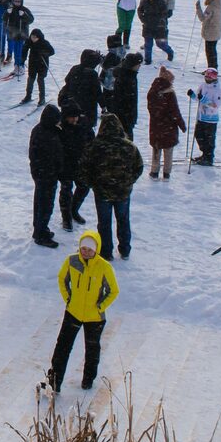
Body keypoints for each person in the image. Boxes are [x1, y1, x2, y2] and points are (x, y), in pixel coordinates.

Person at [42, 230, 119, 395]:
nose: (86, 252)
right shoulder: (72, 261)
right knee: (62, 347)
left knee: (92, 350)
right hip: (73, 312)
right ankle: (54, 381)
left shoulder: (104, 267)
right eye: (83, 248)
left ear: (96, 250)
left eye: (90, 250)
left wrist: (100, 307)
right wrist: (68, 298)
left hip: (94, 318)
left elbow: (113, 291)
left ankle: (88, 380)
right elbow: (62, 279)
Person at [82, 115, 143, 261]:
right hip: (122, 192)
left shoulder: (95, 147)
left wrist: (93, 184)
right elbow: (138, 167)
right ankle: (125, 249)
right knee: (123, 220)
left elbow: (84, 169)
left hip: (102, 192)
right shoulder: (129, 146)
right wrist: (129, 181)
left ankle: (106, 251)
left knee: (104, 222)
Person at [29, 106, 63, 247]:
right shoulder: (46, 134)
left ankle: (39, 228)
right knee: (45, 205)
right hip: (46, 174)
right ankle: (40, 233)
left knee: (40, 202)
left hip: (41, 173)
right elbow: (52, 155)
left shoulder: (40, 130)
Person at [146, 67, 187, 178]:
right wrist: (181, 124)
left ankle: (154, 171)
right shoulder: (169, 94)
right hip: (168, 127)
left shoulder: (152, 92)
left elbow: (151, 108)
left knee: (156, 149)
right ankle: (166, 172)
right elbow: (175, 111)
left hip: (155, 126)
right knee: (168, 151)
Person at [57, 105, 93, 230]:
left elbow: (91, 139)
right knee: (66, 191)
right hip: (65, 165)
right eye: (71, 118)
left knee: (84, 187)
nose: (74, 120)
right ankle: (66, 217)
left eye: (76, 117)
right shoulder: (60, 128)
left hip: (80, 163)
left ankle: (74, 210)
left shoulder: (83, 123)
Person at [102, 52, 142, 139]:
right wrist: (130, 116)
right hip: (124, 115)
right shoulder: (127, 78)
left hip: (123, 114)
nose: (139, 66)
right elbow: (127, 100)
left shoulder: (127, 75)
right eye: (138, 64)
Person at [57, 49, 102, 126]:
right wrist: (103, 105)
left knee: (70, 125)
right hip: (87, 106)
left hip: (72, 102)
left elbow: (67, 80)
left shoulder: (75, 68)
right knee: (85, 127)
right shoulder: (92, 73)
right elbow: (97, 92)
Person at [188, 69, 221, 165]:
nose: (206, 78)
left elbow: (216, 105)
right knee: (199, 136)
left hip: (211, 119)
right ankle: (204, 155)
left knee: (209, 139)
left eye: (208, 76)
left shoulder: (217, 89)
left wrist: (203, 99)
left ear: (213, 78)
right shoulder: (203, 86)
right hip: (201, 117)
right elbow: (198, 98)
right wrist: (193, 95)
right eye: (205, 76)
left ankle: (209, 157)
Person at [138, 0, 173, 65]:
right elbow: (140, 10)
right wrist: (143, 19)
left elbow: (165, 13)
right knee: (148, 45)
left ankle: (170, 52)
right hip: (147, 26)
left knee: (161, 44)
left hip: (159, 28)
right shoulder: (144, 1)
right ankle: (148, 60)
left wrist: (161, 20)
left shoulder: (161, 2)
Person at [21, 29, 55, 106]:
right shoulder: (29, 41)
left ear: (38, 37)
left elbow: (52, 51)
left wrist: (44, 53)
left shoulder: (44, 43)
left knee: (40, 80)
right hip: (32, 63)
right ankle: (28, 96)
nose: (33, 39)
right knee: (30, 79)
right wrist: (23, 58)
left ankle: (42, 98)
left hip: (42, 64)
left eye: (35, 37)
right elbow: (24, 49)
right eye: (32, 37)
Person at [4, 0, 35, 77]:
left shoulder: (24, 10)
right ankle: (16, 66)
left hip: (22, 34)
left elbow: (31, 20)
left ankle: (21, 66)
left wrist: (24, 15)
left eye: (18, 1)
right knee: (15, 51)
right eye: (15, 1)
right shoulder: (11, 9)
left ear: (21, 1)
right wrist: (7, 13)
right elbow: (4, 19)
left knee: (20, 51)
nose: (16, 2)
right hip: (13, 34)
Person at [194, 0, 221, 70]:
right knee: (212, 51)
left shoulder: (211, 7)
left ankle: (212, 70)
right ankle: (213, 69)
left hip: (210, 32)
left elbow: (202, 18)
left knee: (210, 52)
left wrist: (198, 8)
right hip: (216, 31)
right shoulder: (219, 3)